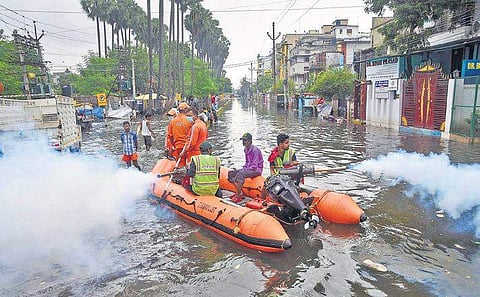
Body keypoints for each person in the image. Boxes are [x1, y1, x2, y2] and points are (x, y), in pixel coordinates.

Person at [227, 132, 264, 203]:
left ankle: (238, 196)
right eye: (243, 140)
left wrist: (243, 170)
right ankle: (239, 192)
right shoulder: (246, 149)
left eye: (245, 140)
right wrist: (243, 168)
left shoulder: (255, 150)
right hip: (249, 168)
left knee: (241, 174)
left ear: (250, 141)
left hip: (256, 170)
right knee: (231, 173)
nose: (243, 142)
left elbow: (254, 165)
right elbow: (247, 162)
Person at [166, 102, 193, 167]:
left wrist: (173, 146)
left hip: (178, 146)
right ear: (185, 110)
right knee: (190, 164)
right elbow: (193, 133)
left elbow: (170, 136)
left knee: (180, 164)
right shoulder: (190, 120)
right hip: (188, 146)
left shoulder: (172, 121)